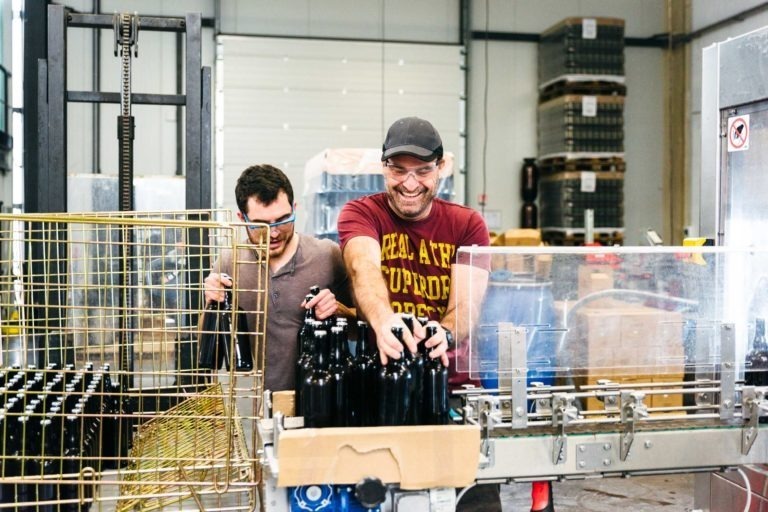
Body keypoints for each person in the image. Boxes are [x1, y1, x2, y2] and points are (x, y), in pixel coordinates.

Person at [338, 116, 525, 512]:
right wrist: (382, 318)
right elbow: (363, 268)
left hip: (452, 395)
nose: (409, 184)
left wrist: (448, 333)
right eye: (399, 171)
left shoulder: (466, 224)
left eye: (422, 171)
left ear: (441, 168)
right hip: (382, 396)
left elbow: (467, 303)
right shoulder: (361, 213)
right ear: (384, 169)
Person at [204, 164, 351, 392]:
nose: (273, 233)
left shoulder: (327, 256)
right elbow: (206, 348)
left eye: (282, 220)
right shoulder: (228, 262)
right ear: (241, 218)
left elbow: (360, 327)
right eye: (261, 225)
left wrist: (339, 309)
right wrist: (210, 302)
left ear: (294, 208)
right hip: (251, 407)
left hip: (315, 402)